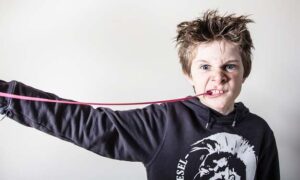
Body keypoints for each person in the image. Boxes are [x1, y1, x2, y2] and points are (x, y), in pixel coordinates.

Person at [0, 10, 280, 180]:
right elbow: (90, 126)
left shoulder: (260, 131)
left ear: (244, 72)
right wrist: (9, 96)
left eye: (230, 66)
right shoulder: (163, 123)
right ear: (188, 73)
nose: (218, 76)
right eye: (205, 66)